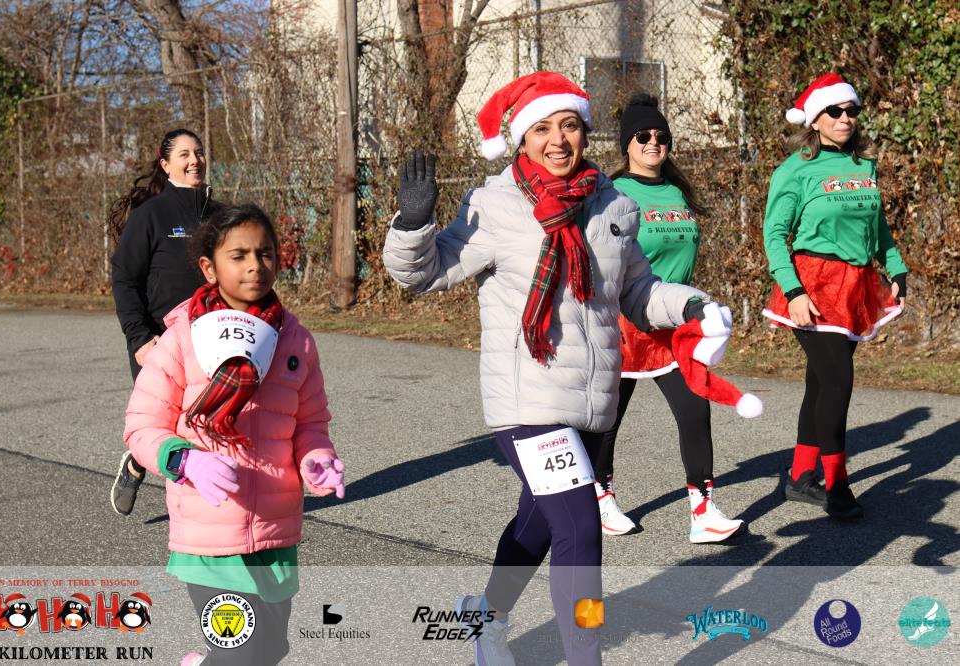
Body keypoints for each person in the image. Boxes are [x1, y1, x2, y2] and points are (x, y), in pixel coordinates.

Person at [383, 72, 734, 666]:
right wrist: (413, 225)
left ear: (585, 132)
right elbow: (423, 274)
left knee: (540, 525)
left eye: (569, 125)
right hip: (527, 400)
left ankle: (484, 618)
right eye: (542, 128)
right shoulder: (494, 206)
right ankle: (584, 655)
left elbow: (639, 293)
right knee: (580, 530)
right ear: (522, 139)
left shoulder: (614, 206)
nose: (557, 139)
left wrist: (694, 306)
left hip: (592, 400)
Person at [123, 203, 346, 665]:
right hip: (208, 539)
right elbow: (142, 426)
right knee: (239, 654)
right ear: (209, 268)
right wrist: (184, 460)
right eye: (238, 255)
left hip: (275, 534)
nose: (254, 266)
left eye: (264, 254)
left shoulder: (296, 342)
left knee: (271, 650)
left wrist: (315, 459)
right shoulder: (181, 338)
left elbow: (310, 424)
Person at [592, 94, 745, 543]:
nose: (653, 142)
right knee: (607, 418)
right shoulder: (611, 193)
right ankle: (600, 498)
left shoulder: (677, 192)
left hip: (674, 323)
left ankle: (703, 511)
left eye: (661, 136)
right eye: (642, 136)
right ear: (626, 144)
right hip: (626, 322)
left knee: (695, 410)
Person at [763, 72, 907, 520]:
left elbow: (877, 226)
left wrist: (897, 267)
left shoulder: (864, 166)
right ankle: (838, 484)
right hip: (812, 285)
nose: (845, 118)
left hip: (857, 284)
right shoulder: (794, 170)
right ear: (815, 119)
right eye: (835, 111)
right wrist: (793, 291)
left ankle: (800, 477)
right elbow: (774, 234)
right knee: (838, 381)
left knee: (821, 382)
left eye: (851, 110)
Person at [109, 129, 218, 517]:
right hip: (158, 342)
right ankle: (139, 460)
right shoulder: (151, 215)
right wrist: (139, 338)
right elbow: (124, 278)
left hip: (212, 341)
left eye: (198, 152)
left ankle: (205, 513)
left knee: (205, 424)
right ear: (166, 164)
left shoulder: (222, 216)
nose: (194, 160)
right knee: (165, 424)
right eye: (184, 154)